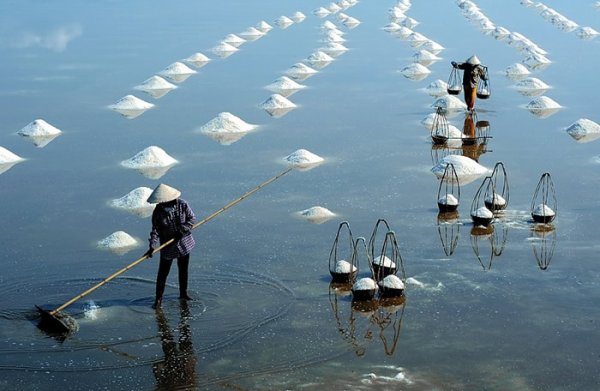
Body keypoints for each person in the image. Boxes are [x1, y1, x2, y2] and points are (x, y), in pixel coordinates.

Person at [145, 183, 196, 309]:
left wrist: (182, 229)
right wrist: (152, 245)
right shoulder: (158, 211)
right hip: (167, 247)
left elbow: (192, 219)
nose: (166, 205)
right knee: (163, 273)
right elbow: (155, 230)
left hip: (184, 243)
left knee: (183, 270)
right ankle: (158, 299)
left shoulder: (182, 204)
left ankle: (183, 294)